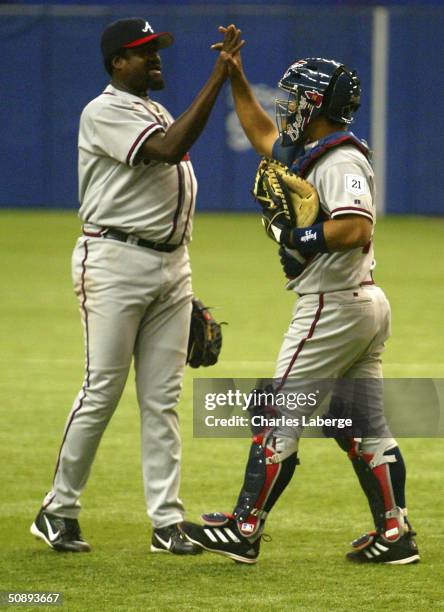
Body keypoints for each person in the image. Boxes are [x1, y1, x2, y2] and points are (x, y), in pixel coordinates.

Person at [181, 42, 420, 565]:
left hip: (331, 306)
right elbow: (262, 132)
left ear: (315, 102)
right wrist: (235, 77)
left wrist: (296, 237)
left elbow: (355, 227)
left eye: (292, 98)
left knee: (275, 411)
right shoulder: (315, 151)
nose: (284, 106)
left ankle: (244, 528)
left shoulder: (341, 158)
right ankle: (394, 533)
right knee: (362, 425)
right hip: (357, 303)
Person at [30, 18, 243, 555]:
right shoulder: (102, 111)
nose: (155, 59)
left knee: (163, 399)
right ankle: (58, 510)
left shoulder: (153, 109)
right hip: (114, 260)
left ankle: (167, 522)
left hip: (169, 266)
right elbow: (168, 151)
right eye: (142, 52)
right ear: (115, 63)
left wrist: (175, 277)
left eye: (156, 50)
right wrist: (218, 78)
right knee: (102, 389)